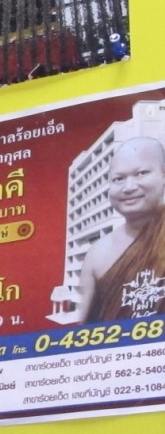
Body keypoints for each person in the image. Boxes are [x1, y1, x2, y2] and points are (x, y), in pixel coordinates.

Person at [77, 137, 165, 323]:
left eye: (141, 173)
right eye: (118, 179)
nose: (129, 187)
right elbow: (78, 326)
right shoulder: (97, 252)